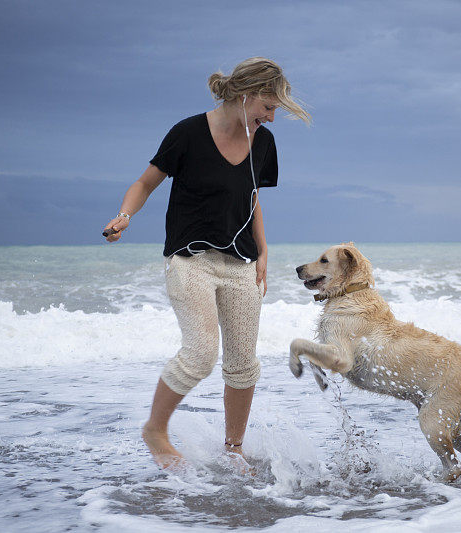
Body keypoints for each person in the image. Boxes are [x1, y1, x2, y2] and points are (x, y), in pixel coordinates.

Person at [103, 57, 310, 469]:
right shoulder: (188, 133)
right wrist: (125, 216)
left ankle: (233, 447)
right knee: (199, 353)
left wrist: (264, 250)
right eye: (268, 107)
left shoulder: (263, 143)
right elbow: (146, 182)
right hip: (190, 259)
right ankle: (155, 430)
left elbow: (252, 198)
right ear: (246, 94)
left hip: (241, 264)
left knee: (243, 364)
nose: (271, 117)